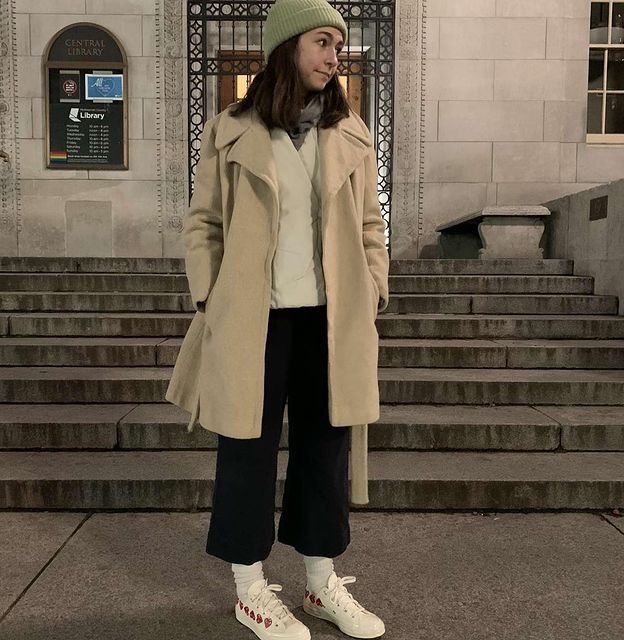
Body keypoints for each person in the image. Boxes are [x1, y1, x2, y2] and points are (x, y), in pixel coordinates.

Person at [165, 0, 389, 638]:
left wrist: (374, 286)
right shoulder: (231, 130)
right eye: (322, 41)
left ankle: (320, 584)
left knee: (326, 450)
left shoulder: (349, 131)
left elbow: (369, 224)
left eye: (337, 45)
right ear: (288, 46)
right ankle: (250, 589)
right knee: (247, 450)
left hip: (330, 319)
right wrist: (210, 295)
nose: (334, 56)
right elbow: (204, 222)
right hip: (253, 319)